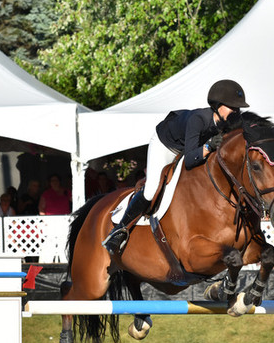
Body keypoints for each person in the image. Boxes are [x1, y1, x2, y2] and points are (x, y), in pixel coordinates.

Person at [102, 79, 249, 255]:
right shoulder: (199, 119)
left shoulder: (225, 125)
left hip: (186, 149)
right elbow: (189, 160)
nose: (236, 112)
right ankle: (119, 230)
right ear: (217, 106)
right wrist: (208, 147)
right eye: (233, 107)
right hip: (165, 145)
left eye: (238, 108)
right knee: (151, 190)